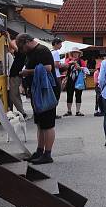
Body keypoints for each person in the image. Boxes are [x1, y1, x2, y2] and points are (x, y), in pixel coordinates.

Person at [16, 34, 57, 164]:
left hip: (46, 91)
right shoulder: (32, 52)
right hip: (37, 90)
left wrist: (27, 72)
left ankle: (48, 154)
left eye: (22, 47)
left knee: (48, 124)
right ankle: (40, 151)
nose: (22, 50)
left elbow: (48, 68)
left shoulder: (42, 50)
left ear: (28, 41)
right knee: (40, 123)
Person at [5, 31, 27, 116]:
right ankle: (21, 111)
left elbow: (11, 45)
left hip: (15, 75)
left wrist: (8, 36)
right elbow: (11, 49)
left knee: (13, 96)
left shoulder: (21, 51)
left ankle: (22, 112)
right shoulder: (22, 52)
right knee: (16, 95)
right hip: (17, 75)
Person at [62, 49, 87, 116]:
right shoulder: (68, 60)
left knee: (78, 95)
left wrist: (77, 65)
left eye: (77, 53)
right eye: (74, 53)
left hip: (79, 80)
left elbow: (85, 70)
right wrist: (69, 64)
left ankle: (78, 111)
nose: (75, 54)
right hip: (70, 80)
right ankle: (69, 111)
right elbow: (64, 68)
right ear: (72, 53)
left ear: (79, 54)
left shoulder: (81, 61)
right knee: (69, 95)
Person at [50, 38, 64, 119]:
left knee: (53, 94)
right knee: (56, 94)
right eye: (60, 44)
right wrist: (64, 65)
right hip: (56, 75)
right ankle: (53, 113)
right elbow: (56, 64)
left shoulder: (50, 52)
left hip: (52, 75)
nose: (61, 46)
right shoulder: (55, 53)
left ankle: (52, 113)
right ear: (55, 44)